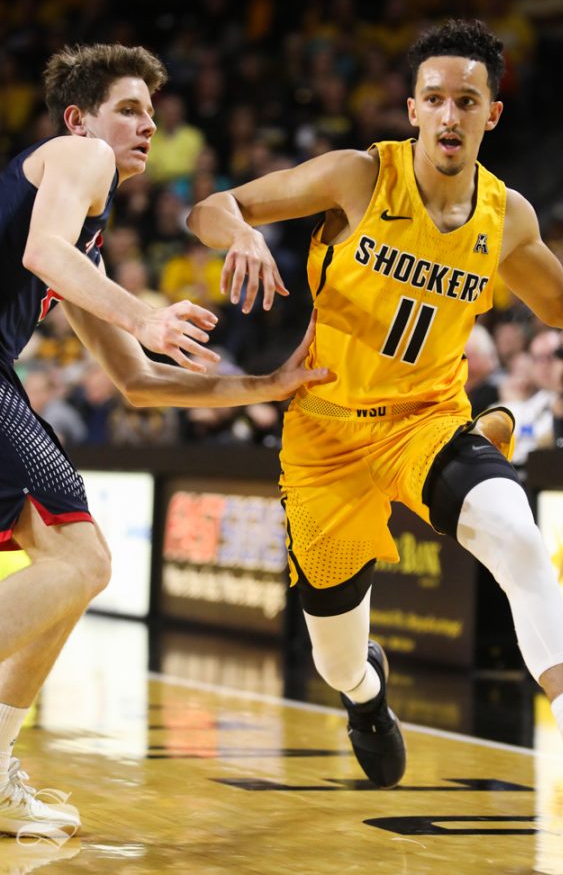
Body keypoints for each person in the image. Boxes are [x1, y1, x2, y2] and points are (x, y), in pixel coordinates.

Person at [188, 19, 563, 845]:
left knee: (517, 534)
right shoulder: (355, 177)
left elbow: (561, 304)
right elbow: (210, 205)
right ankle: (367, 695)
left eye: (468, 101)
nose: (450, 115)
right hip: (325, 438)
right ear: (412, 110)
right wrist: (238, 230)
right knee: (335, 659)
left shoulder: (506, 215)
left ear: (493, 115)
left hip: (425, 419)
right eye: (436, 99)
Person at [0, 43, 330, 841]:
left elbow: (139, 382)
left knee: (74, 569)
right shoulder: (77, 159)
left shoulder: (85, 236)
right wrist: (144, 312)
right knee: (84, 564)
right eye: (128, 110)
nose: (148, 123)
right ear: (81, 119)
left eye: (152, 111)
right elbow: (40, 254)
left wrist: (265, 385)